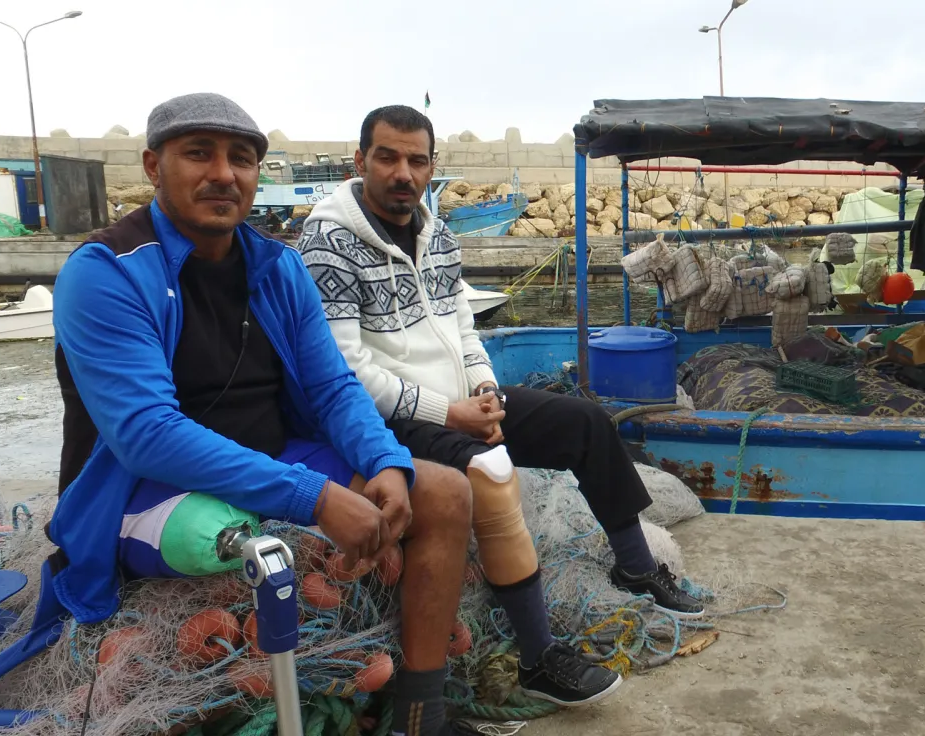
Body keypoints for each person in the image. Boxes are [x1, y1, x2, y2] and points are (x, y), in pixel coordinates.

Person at [49, 93, 476, 736]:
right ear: (153, 166)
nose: (224, 174)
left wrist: (384, 460)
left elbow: (332, 386)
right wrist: (315, 497)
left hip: (273, 452)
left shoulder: (278, 266)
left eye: (242, 159)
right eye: (199, 154)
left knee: (443, 491)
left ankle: (420, 715)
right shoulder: (107, 272)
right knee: (223, 537)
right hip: (146, 484)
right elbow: (145, 434)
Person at [295, 105, 705, 701]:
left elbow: (464, 330)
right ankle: (539, 658)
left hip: (461, 398)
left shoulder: (437, 233)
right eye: (387, 157)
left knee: (587, 421)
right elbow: (346, 370)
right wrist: (449, 413)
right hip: (387, 419)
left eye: (416, 160)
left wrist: (485, 391)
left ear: (432, 166)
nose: (403, 173)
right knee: (490, 471)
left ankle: (636, 566)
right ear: (359, 162)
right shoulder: (327, 242)